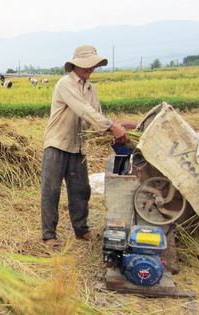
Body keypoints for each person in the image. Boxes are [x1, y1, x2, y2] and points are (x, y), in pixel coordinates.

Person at [40, 45, 134, 249]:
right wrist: (111, 126)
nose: (90, 69)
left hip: (78, 145)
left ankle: (81, 229)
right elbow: (83, 110)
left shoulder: (91, 89)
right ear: (76, 65)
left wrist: (116, 127)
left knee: (81, 189)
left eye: (93, 66)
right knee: (51, 190)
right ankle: (49, 235)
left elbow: (95, 115)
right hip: (57, 143)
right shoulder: (64, 84)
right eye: (87, 65)